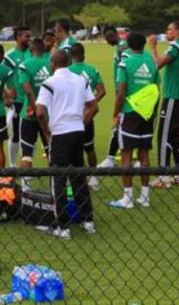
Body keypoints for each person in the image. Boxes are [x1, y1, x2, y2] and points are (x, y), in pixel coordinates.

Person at [35, 50, 98, 239]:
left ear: (53, 63)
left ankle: (61, 226)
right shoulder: (80, 80)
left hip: (60, 134)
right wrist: (81, 122)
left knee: (58, 178)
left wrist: (47, 132)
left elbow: (39, 112)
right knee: (79, 175)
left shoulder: (49, 83)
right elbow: (94, 106)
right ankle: (88, 221)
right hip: (78, 132)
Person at [106, 33, 160, 209]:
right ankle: (145, 197)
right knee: (144, 154)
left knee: (127, 154)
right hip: (147, 113)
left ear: (128, 45)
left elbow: (121, 91)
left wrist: (115, 113)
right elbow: (156, 89)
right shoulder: (152, 64)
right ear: (144, 44)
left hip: (130, 112)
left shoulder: (125, 63)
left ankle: (127, 198)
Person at [147, 21, 179, 189]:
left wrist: (152, 47)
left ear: (178, 31)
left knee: (164, 135)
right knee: (177, 136)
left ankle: (163, 176)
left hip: (173, 97)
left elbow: (158, 64)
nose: (166, 31)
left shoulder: (175, 46)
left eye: (169, 29)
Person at [68, 43, 106, 190]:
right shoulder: (91, 69)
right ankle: (94, 179)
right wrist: (90, 104)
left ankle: (75, 181)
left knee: (72, 149)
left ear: (71, 56)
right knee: (89, 148)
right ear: (83, 55)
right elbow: (102, 91)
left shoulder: (67, 71)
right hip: (88, 115)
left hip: (72, 116)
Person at [17, 38, 52, 190]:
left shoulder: (25, 65)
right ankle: (54, 187)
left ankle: (25, 189)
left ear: (30, 50)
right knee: (51, 151)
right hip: (49, 114)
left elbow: (27, 89)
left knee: (26, 152)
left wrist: (34, 106)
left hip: (29, 114)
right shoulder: (51, 64)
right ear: (43, 50)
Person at [98, 27, 130, 168]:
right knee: (124, 124)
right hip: (121, 90)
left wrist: (120, 93)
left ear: (113, 35)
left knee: (118, 123)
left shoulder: (123, 47)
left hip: (125, 93)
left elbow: (126, 69)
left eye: (108, 38)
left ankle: (110, 158)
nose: (107, 41)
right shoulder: (120, 46)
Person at [2, 26, 32, 167]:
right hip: (18, 101)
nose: (29, 39)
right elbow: (1, 75)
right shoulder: (10, 56)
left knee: (30, 135)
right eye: (27, 36)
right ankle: (12, 165)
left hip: (31, 100)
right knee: (16, 134)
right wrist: (7, 96)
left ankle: (26, 165)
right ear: (18, 37)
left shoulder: (31, 54)